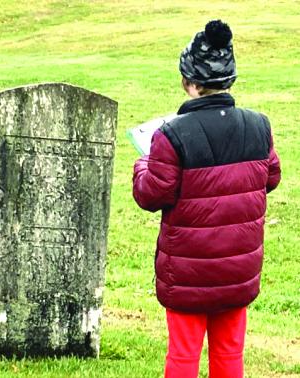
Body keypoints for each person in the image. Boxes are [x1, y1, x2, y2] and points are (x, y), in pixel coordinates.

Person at [132, 20, 281, 378]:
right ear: (229, 78)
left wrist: (143, 163)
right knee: (230, 355)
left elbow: (152, 193)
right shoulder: (259, 125)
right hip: (237, 269)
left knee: (183, 356)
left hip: (188, 272)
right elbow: (270, 177)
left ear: (191, 83)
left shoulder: (170, 135)